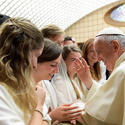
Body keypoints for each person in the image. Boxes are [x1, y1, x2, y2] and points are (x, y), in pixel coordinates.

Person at [0, 18, 50, 125]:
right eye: (36, 56)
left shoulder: (22, 84)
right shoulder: (2, 91)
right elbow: (43, 117)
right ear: (22, 50)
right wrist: (38, 107)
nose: (35, 65)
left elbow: (46, 119)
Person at [73, 27, 125, 125]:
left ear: (115, 46)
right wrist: (88, 81)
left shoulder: (122, 72)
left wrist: (78, 114)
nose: (98, 59)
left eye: (99, 52)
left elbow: (102, 117)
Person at [33, 39, 82, 124]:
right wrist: (53, 115)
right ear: (35, 61)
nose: (56, 71)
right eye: (52, 65)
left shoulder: (47, 84)